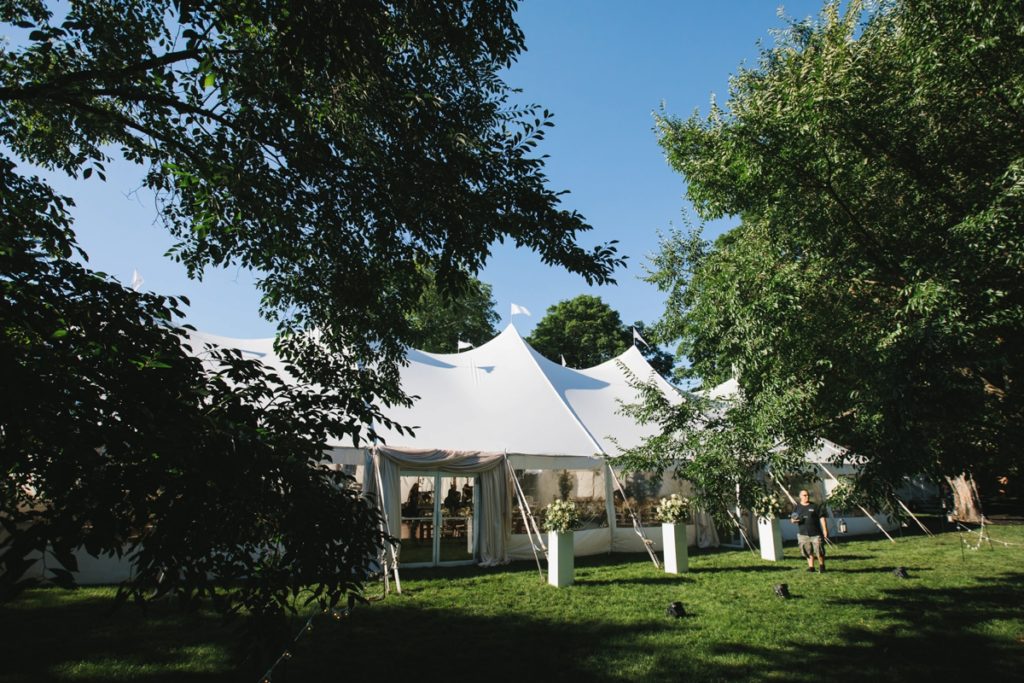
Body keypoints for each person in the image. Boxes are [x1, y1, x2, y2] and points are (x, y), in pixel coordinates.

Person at [790, 489, 829, 573]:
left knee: (819, 551)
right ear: (800, 497)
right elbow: (792, 519)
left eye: (807, 495)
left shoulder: (815, 506)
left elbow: (822, 517)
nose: (806, 496)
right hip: (803, 534)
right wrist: (793, 521)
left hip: (816, 533)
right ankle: (811, 568)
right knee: (808, 551)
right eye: (804, 495)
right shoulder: (797, 507)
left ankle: (822, 567)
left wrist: (825, 530)